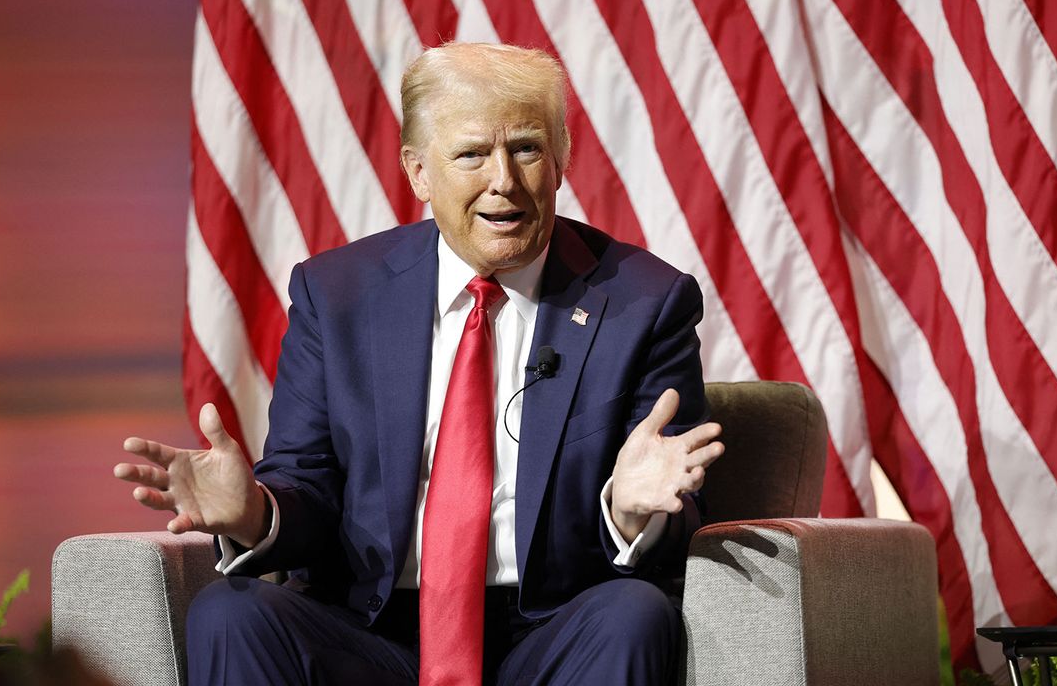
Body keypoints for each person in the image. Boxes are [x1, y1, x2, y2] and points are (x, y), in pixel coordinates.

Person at [115, 42, 724, 685]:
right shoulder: (337, 295)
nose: (504, 182)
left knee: (634, 615)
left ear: (562, 159)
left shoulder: (643, 303)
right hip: (371, 630)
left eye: (526, 148)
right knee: (230, 614)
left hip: (552, 627)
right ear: (418, 172)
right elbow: (307, 484)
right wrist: (255, 514)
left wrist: (629, 512)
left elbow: (678, 499)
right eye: (471, 154)